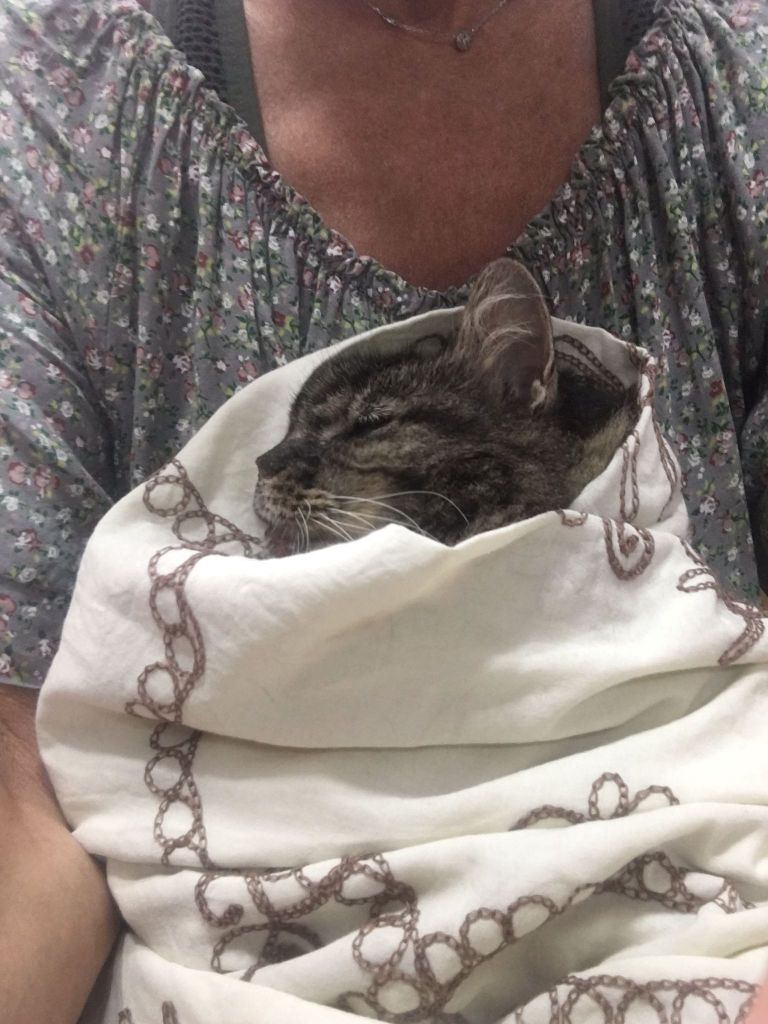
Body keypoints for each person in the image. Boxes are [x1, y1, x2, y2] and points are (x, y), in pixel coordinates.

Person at [0, 0, 767, 1020]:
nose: (279, 470)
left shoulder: (735, 84)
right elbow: (26, 799)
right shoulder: (55, 103)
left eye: (346, 438)